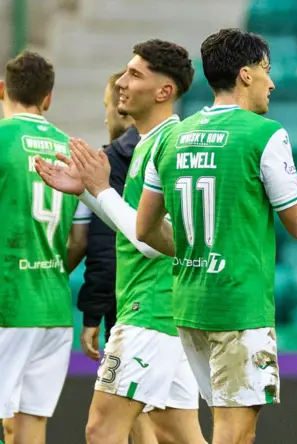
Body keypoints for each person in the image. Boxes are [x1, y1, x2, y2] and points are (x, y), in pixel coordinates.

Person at [135, 28, 297, 444]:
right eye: (266, 70)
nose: (272, 82)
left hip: (189, 307)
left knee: (227, 429)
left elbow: (144, 229)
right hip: (238, 308)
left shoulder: (171, 138)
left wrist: (195, 252)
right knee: (235, 435)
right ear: (245, 74)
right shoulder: (263, 133)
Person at [34, 40, 205, 444]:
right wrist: (87, 192)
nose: (121, 84)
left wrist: (100, 190)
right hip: (163, 310)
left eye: (135, 74)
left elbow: (154, 241)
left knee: (101, 429)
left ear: (164, 91)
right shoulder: (149, 142)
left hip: (152, 310)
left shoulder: (170, 145)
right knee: (174, 433)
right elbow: (136, 225)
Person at [0, 51, 89, 444]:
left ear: (3, 90)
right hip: (53, 306)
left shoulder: (3, 141)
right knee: (32, 423)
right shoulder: (71, 151)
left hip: (8, 302)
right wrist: (46, 268)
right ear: (48, 98)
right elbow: (79, 240)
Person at [78, 70, 161, 444]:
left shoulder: (109, 162)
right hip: (173, 306)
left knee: (105, 427)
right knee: (169, 426)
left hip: (136, 309)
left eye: (109, 105)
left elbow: (103, 246)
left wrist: (94, 311)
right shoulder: (171, 148)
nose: (108, 114)